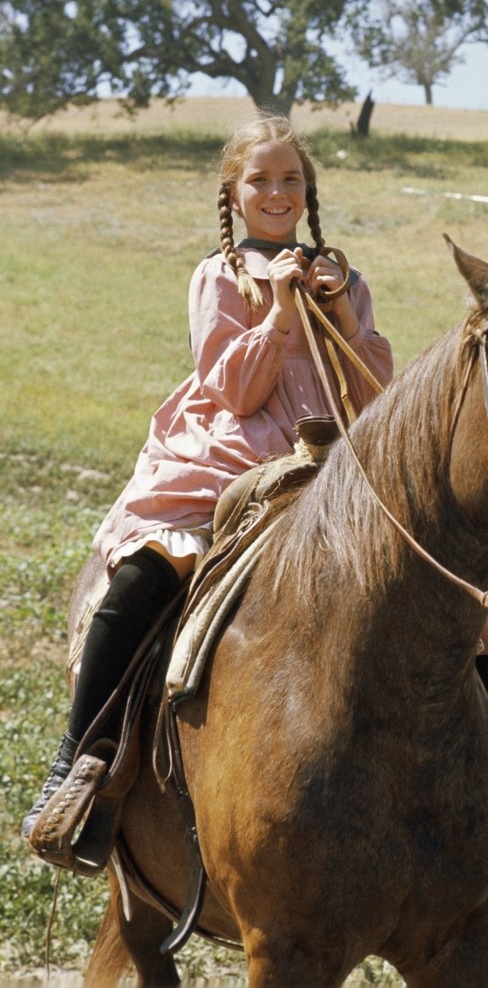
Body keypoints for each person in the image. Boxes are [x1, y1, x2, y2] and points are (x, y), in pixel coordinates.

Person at [21, 114, 394, 842]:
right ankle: (79, 765)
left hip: (330, 457)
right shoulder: (219, 275)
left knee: (447, 593)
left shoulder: (343, 279)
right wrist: (283, 310)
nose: (277, 192)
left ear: (308, 191)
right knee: (153, 569)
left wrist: (342, 311)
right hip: (231, 453)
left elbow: (377, 396)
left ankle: (477, 780)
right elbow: (236, 391)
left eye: (291, 179)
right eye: (261, 180)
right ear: (235, 192)